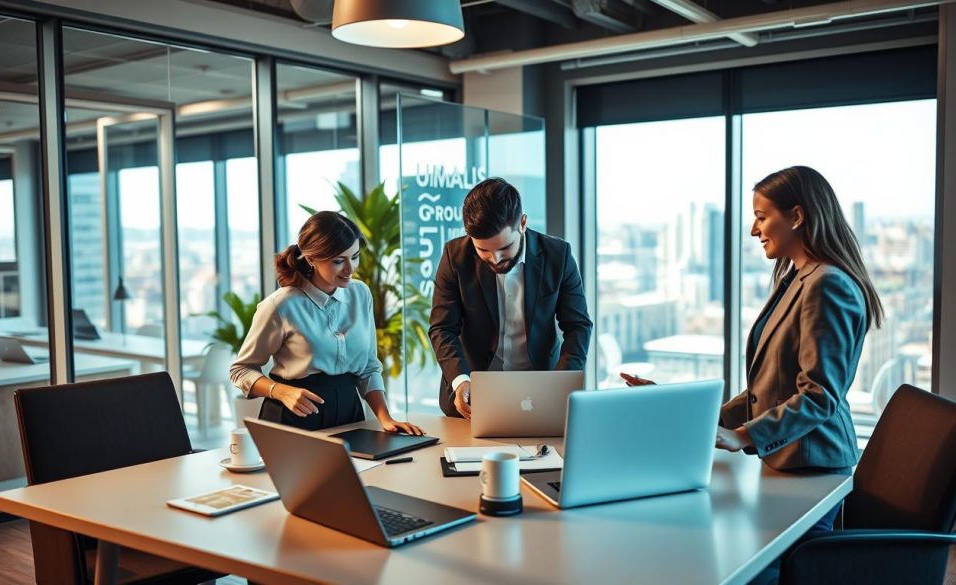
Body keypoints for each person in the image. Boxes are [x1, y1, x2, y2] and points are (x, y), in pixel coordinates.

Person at [623, 165, 882, 525]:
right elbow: (771, 388)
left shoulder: (827, 284)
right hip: (787, 461)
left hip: (813, 465)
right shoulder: (796, 278)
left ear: (796, 216)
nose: (753, 229)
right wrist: (684, 411)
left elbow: (819, 396)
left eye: (761, 217)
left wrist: (744, 436)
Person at [229, 211, 422, 435]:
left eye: (355, 256)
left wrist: (385, 418)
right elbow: (240, 370)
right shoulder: (281, 305)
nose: (350, 269)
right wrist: (281, 391)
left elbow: (368, 366)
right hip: (293, 419)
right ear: (311, 259)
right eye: (339, 261)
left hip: (350, 415)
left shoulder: (360, 294)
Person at [430, 177, 593, 419]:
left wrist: (561, 384)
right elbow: (443, 327)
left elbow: (578, 326)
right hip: (473, 395)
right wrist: (460, 381)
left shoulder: (558, 256)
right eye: (483, 251)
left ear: (523, 223)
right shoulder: (455, 256)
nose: (495, 259)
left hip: (541, 393)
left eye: (504, 248)